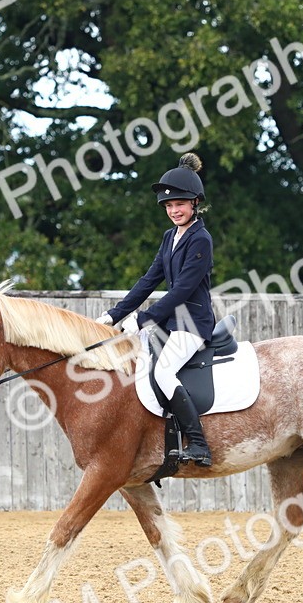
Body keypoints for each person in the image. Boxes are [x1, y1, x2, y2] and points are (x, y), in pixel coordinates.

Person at [96, 152, 216, 467]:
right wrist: (115, 314)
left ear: (194, 204)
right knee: (137, 366)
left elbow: (182, 290)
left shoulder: (201, 239)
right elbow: (149, 280)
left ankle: (200, 444)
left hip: (193, 324)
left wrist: (144, 318)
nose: (174, 210)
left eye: (180, 204)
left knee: (163, 372)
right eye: (169, 206)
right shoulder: (168, 238)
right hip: (170, 323)